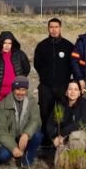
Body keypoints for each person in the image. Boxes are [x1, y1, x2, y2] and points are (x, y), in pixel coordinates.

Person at [33, 18, 74, 147]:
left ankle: (61, 140)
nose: (54, 29)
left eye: (56, 27)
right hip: (46, 87)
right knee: (45, 114)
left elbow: (72, 65)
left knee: (61, 114)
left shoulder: (68, 46)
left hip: (63, 87)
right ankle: (47, 143)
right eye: (51, 27)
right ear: (48, 28)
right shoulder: (42, 46)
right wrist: (45, 77)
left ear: (60, 28)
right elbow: (37, 64)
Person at [0, 76, 43, 168]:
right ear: (13, 89)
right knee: (3, 155)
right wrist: (13, 147)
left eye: (23, 90)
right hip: (10, 137)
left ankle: (27, 161)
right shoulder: (3, 104)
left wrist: (26, 134)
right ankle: (14, 154)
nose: (20, 93)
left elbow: (35, 120)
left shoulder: (32, 101)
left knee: (38, 135)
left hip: (24, 135)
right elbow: (0, 131)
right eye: (18, 89)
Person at [45, 80, 86, 166]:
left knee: (75, 136)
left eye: (76, 89)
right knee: (59, 165)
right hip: (63, 139)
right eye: (70, 89)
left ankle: (78, 164)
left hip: (81, 137)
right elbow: (50, 124)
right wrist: (54, 137)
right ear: (66, 92)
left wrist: (63, 133)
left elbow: (83, 123)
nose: (73, 92)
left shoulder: (85, 104)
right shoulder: (60, 105)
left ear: (79, 92)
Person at [0, 31, 31, 105]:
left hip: (15, 95)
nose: (7, 46)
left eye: (9, 43)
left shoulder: (20, 55)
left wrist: (19, 81)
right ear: (0, 43)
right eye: (5, 43)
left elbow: (26, 69)